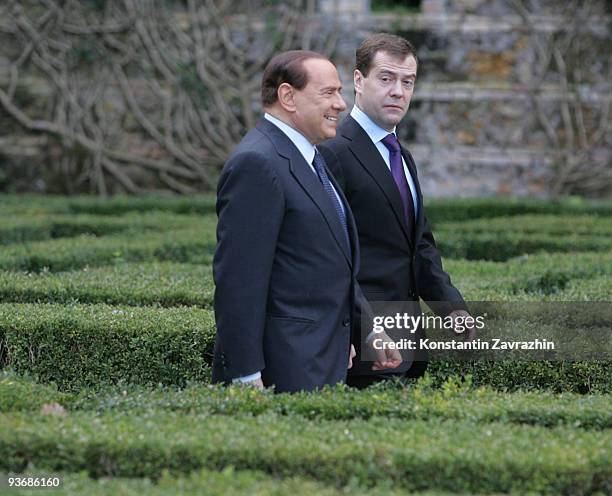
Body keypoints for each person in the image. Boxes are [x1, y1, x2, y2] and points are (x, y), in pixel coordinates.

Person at [212, 50, 401, 393]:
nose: (341, 104)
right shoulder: (257, 163)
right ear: (288, 97)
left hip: (322, 361)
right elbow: (238, 282)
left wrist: (368, 328)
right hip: (282, 374)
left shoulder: (313, 157)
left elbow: (327, 264)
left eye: (339, 92)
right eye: (328, 93)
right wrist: (244, 376)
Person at [319, 34, 472, 388]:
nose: (398, 92)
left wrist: (453, 309)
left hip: (409, 346)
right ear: (358, 81)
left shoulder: (401, 156)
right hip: (363, 349)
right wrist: (366, 328)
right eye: (386, 79)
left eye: (408, 82)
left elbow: (419, 246)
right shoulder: (332, 153)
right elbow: (331, 259)